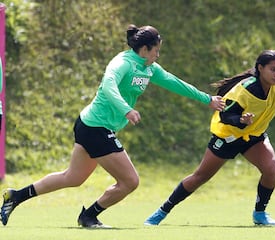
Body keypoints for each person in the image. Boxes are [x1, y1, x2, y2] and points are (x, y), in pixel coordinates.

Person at [0, 24, 225, 228]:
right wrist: (126, 109)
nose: (158, 55)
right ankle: (89, 216)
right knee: (130, 181)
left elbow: (174, 82)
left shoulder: (150, 68)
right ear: (145, 49)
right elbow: (108, 85)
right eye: (156, 50)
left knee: (72, 178)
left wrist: (207, 100)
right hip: (96, 127)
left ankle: (16, 196)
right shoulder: (123, 63)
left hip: (92, 126)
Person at [144, 49, 275, 226]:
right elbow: (225, 116)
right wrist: (241, 120)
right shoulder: (245, 89)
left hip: (253, 136)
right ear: (260, 68)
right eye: (273, 69)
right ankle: (162, 211)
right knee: (201, 176)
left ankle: (260, 214)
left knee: (271, 169)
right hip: (229, 136)